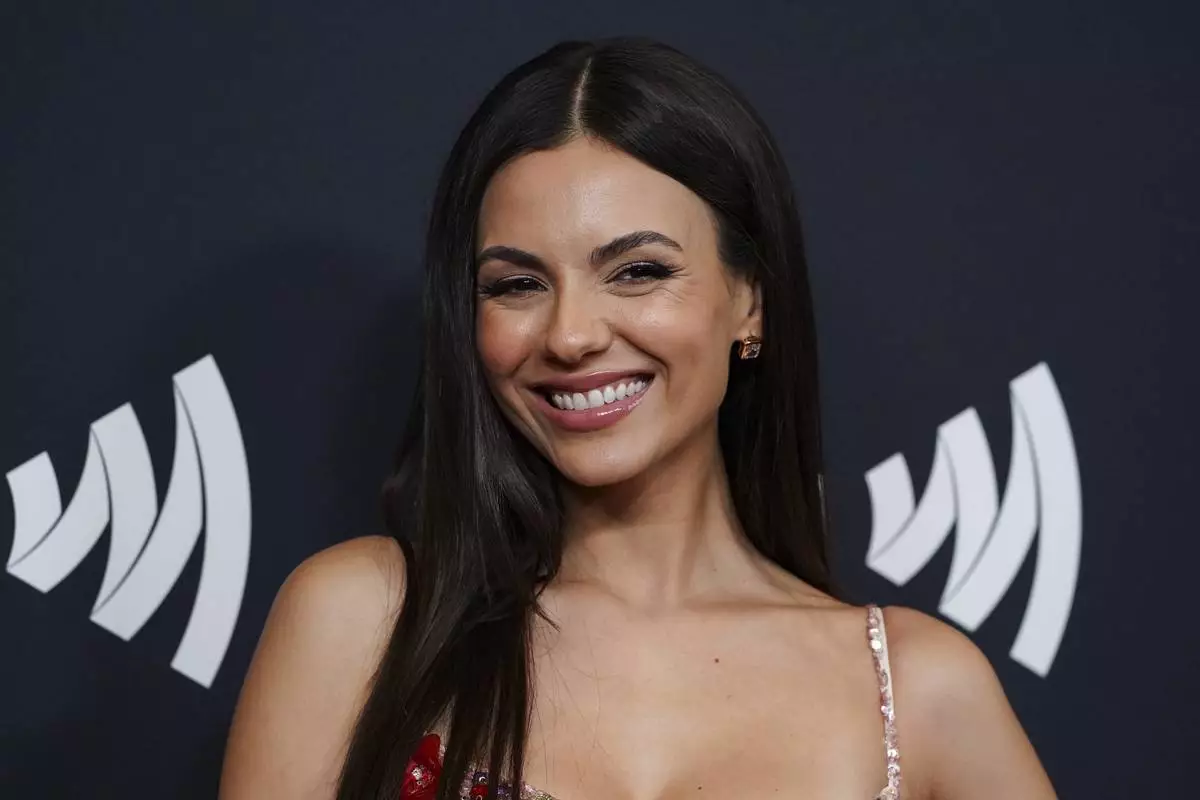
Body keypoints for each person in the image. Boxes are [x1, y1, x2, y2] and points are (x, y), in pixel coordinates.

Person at [219, 38, 1056, 800]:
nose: (571, 335)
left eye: (638, 271)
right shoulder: (362, 621)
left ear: (750, 300)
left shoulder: (916, 692)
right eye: (518, 285)